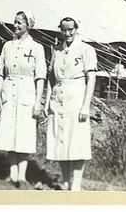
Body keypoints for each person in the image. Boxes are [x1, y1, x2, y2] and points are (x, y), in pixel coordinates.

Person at [0, 11, 47, 189]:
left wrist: (38, 102)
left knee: (23, 134)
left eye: (20, 23)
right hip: (9, 90)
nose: (15, 25)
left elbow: (40, 77)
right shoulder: (7, 46)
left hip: (27, 93)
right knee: (9, 133)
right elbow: (1, 72)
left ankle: (22, 176)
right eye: (14, 22)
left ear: (28, 25)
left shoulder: (37, 48)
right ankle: (11, 174)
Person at [43, 17, 97, 191]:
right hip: (58, 99)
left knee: (77, 140)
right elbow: (52, 77)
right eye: (63, 30)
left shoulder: (86, 49)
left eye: (70, 30)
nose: (67, 33)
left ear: (76, 29)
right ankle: (65, 181)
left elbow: (91, 78)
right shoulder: (57, 50)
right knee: (61, 140)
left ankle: (76, 184)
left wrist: (85, 105)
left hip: (76, 97)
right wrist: (47, 101)